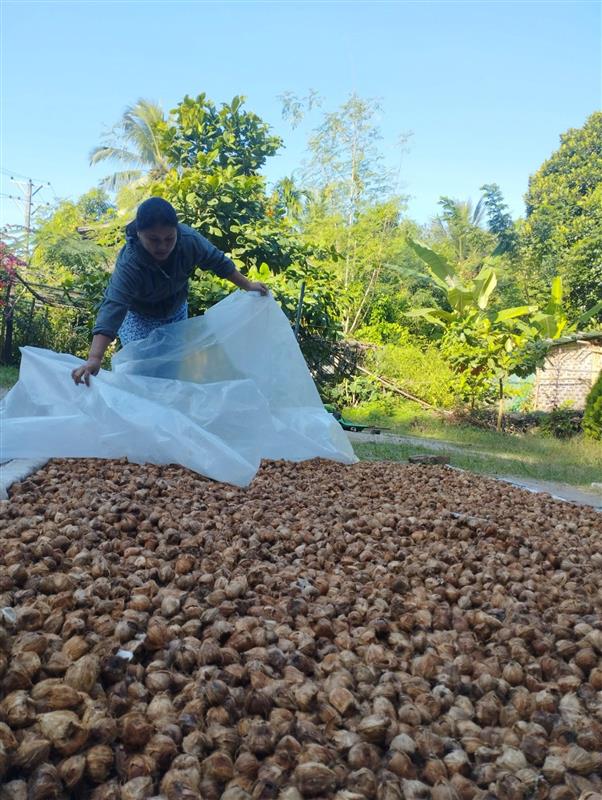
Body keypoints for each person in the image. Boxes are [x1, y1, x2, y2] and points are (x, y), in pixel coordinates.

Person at [71, 197, 268, 385]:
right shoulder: (130, 262)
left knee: (171, 367)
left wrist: (248, 285)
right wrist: (94, 358)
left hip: (175, 310)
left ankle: (165, 413)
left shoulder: (189, 241)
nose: (163, 246)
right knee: (141, 370)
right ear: (139, 234)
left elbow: (218, 262)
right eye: (154, 239)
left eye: (169, 238)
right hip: (139, 316)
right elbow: (114, 304)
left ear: (177, 231)